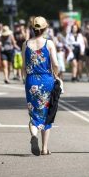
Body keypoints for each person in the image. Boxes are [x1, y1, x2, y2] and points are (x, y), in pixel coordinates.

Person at [23, 16, 61, 156]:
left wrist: (26, 81)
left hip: (31, 81)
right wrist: (56, 76)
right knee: (47, 113)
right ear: (45, 29)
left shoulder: (26, 44)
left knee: (34, 114)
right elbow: (55, 64)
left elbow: (23, 67)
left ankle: (34, 136)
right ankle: (45, 148)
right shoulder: (49, 43)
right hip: (46, 81)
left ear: (33, 29)